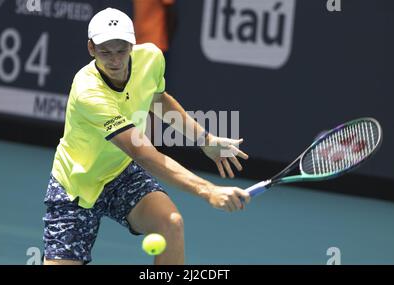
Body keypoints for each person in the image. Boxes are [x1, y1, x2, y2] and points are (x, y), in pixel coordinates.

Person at [42, 7, 250, 265]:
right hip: (76, 184)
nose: (115, 61)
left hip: (120, 173)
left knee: (171, 224)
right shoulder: (88, 91)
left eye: (121, 50)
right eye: (105, 52)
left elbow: (158, 99)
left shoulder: (150, 57)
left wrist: (205, 140)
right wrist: (208, 191)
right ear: (91, 49)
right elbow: (142, 153)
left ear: (132, 44)